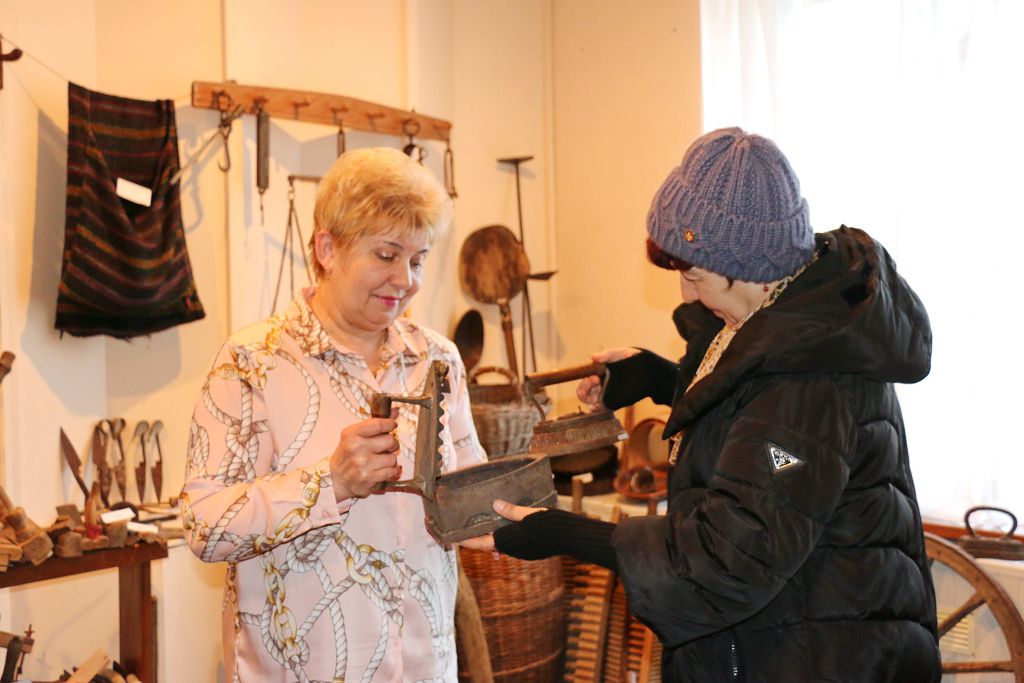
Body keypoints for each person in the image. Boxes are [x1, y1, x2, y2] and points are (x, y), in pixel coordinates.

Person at [466, 128, 941, 681]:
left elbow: (734, 554)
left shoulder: (809, 376)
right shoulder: (788, 320)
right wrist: (662, 379)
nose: (686, 294)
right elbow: (754, 423)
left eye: (694, 275)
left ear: (752, 266)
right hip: (796, 635)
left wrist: (569, 535)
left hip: (822, 654)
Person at [182, 147, 486, 682]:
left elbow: (469, 492)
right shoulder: (251, 361)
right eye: (386, 255)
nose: (405, 279)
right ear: (328, 249)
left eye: (418, 260)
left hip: (425, 669)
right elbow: (203, 526)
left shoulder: (437, 359)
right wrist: (330, 482)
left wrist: (508, 514)